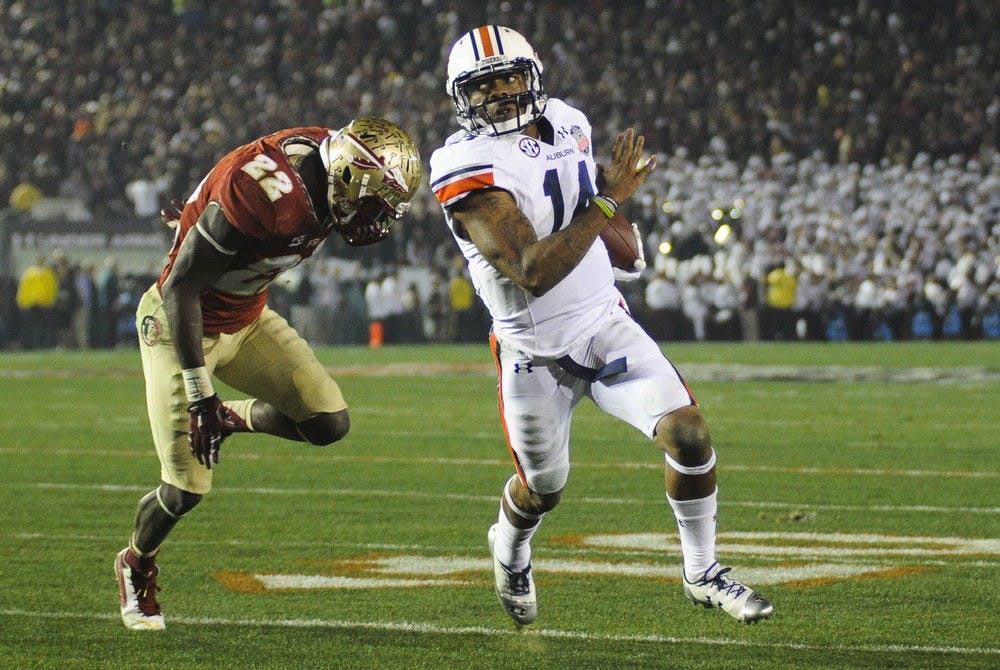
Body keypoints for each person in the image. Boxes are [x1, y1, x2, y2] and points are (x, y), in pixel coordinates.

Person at [429, 26, 772, 627]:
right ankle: (509, 544)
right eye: (483, 86)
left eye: (509, 78)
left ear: (533, 76)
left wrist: (612, 234)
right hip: (533, 350)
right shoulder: (463, 165)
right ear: (462, 96)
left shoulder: (567, 121)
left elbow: (575, 204)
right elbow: (532, 270)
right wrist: (609, 205)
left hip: (603, 321)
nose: (499, 93)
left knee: (689, 433)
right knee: (543, 488)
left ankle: (701, 572)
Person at [114, 118, 423, 630]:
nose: (379, 218)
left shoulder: (326, 163)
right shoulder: (266, 196)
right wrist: (200, 396)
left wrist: (198, 212)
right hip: (180, 326)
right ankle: (136, 562)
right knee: (186, 488)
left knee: (327, 421)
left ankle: (233, 417)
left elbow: (230, 187)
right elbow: (180, 289)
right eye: (376, 205)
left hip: (248, 319)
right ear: (348, 180)